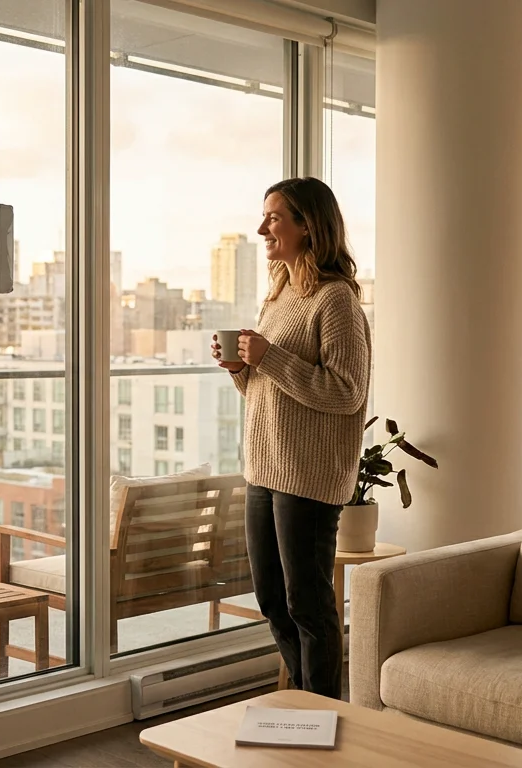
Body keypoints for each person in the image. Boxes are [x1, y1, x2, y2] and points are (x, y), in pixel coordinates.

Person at [211, 177, 370, 699]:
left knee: (308, 604)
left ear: (308, 225)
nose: (262, 229)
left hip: (308, 475)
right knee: (272, 600)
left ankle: (324, 714)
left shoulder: (336, 299)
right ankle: (306, 703)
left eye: (274, 218)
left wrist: (270, 357)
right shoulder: (278, 297)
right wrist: (242, 369)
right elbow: (268, 391)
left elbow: (346, 392)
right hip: (265, 469)